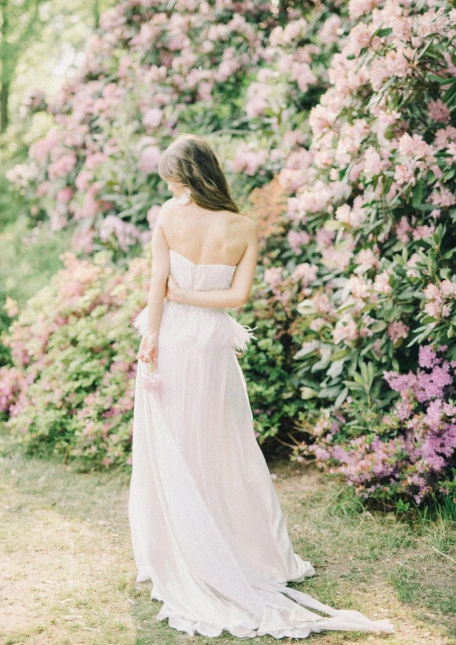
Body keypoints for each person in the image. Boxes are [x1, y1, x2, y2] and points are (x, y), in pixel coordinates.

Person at [128, 133, 394, 639]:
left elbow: (157, 283)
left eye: (175, 180)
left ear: (186, 179)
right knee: (220, 442)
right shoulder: (244, 226)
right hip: (210, 344)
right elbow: (237, 298)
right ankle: (237, 541)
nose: (173, 189)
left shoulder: (168, 215)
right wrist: (188, 297)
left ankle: (186, 546)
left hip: (173, 338)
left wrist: (154, 334)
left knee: (172, 446)